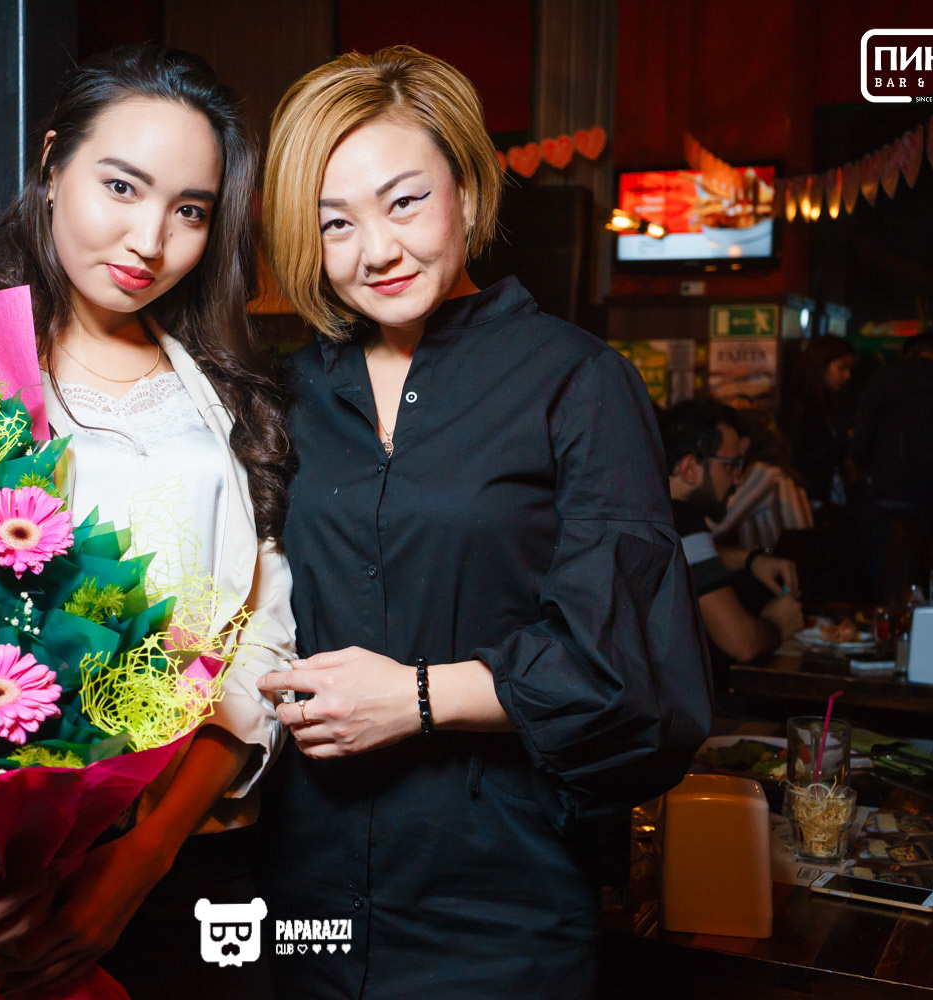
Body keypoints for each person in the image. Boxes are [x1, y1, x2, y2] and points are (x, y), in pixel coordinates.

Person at [0, 45, 296, 1000]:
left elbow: (259, 641)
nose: (149, 239)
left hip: (180, 867)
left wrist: (142, 857)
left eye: (190, 211)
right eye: (121, 186)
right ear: (51, 162)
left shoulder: (228, 395)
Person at [252, 46, 712, 999]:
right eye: (336, 223)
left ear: (465, 186)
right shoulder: (284, 396)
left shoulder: (576, 382)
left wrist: (420, 697)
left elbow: (637, 675)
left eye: (404, 202)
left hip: (498, 903)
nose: (376, 250)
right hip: (303, 890)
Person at [662, 399, 805, 674]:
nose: (738, 479)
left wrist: (750, 560)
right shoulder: (682, 519)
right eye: (730, 466)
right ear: (689, 468)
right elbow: (742, 644)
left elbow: (680, 557)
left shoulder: (654, 509)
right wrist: (778, 623)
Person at [852, 333, 933, 601]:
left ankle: (886, 618)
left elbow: (862, 438)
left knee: (884, 572)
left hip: (887, 493)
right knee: (930, 575)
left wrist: (865, 469)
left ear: (907, 354)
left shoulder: (884, 379)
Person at [709, 409, 813, 552]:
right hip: (792, 558)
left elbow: (718, 526)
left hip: (781, 560)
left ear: (744, 443)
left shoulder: (763, 474)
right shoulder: (778, 470)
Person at [780, 334, 855, 517]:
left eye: (849, 369)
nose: (847, 376)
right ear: (821, 365)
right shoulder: (801, 404)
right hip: (809, 494)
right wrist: (843, 445)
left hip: (823, 492)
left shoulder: (832, 400)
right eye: (841, 368)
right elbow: (801, 453)